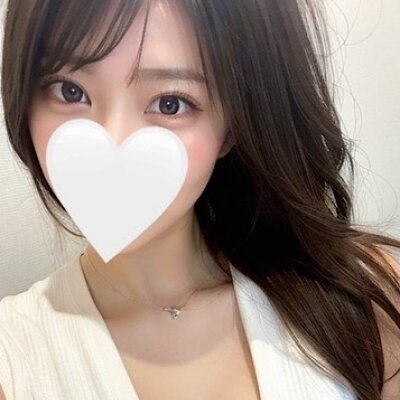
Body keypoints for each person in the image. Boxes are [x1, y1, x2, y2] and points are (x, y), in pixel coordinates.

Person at [0, 0, 399, 399]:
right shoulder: (13, 360)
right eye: (70, 91)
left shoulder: (365, 299)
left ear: (233, 126)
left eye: (170, 103)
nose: (113, 140)